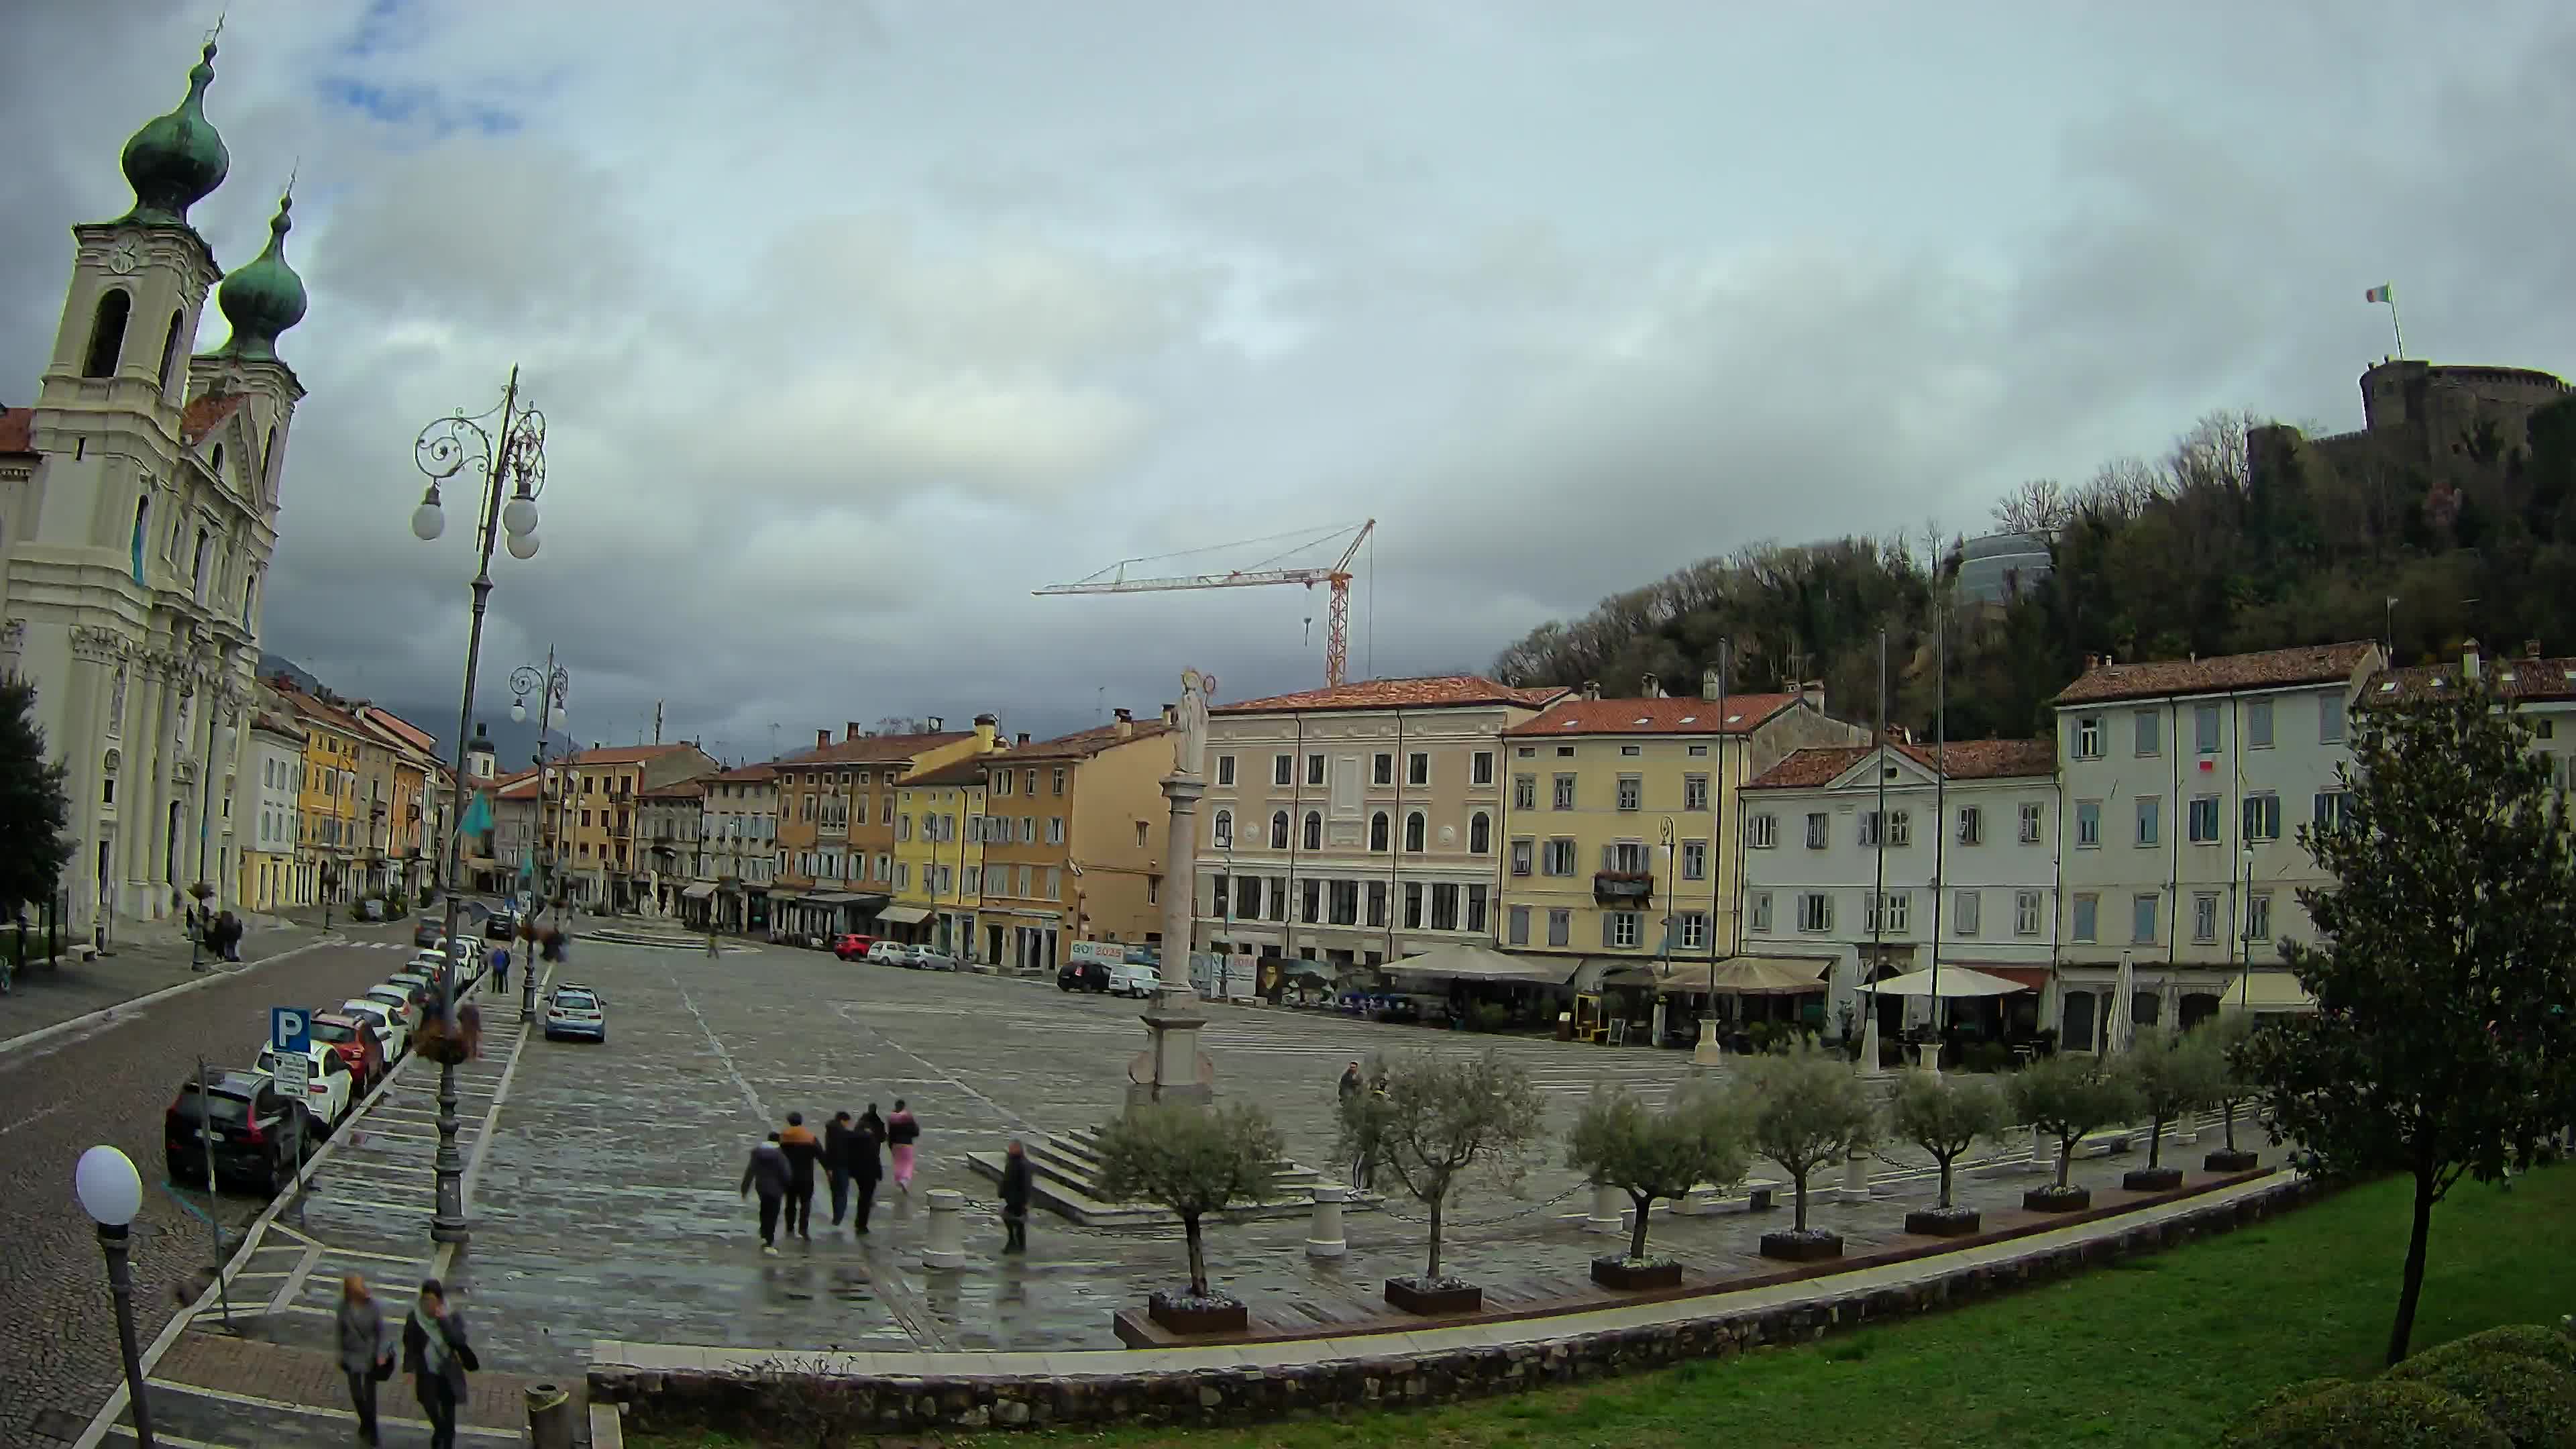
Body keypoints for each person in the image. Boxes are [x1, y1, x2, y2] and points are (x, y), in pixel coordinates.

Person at [400, 1278, 477, 1449]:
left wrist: (442, 1321)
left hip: (447, 1372)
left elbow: (458, 1341)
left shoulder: (452, 1317)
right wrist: (409, 1368)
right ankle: (439, 1429)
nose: (428, 1305)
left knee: (449, 1415)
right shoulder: (415, 1318)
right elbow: (409, 1343)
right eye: (425, 1300)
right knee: (429, 1405)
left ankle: (447, 1442)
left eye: (432, 1301)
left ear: (440, 1301)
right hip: (426, 1372)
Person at [336, 1273, 394, 1445]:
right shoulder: (343, 1307)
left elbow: (380, 1332)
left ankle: (372, 1430)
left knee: (370, 1394)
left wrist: (382, 1354)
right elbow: (340, 1331)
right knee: (356, 1393)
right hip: (352, 1354)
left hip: (370, 1355)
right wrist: (341, 1352)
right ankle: (366, 1421)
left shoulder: (372, 1306)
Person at [740, 1130, 790, 1254]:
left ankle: (764, 1232)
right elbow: (785, 1173)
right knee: (773, 1213)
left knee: (765, 1208)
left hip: (762, 1187)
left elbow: (750, 1171)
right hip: (776, 1189)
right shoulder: (780, 1155)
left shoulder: (757, 1153)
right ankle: (769, 1239)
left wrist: (744, 1188)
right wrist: (788, 1187)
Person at [778, 1112, 823, 1240]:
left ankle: (790, 1227)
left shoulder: (783, 1137)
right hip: (806, 1176)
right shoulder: (810, 1138)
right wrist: (829, 1170)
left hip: (789, 1176)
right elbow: (821, 1155)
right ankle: (803, 1229)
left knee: (790, 1203)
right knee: (806, 1203)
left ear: (789, 1121)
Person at [849, 1104, 885, 1234]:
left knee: (863, 1196)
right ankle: (861, 1224)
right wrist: (879, 1173)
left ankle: (860, 1222)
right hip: (869, 1173)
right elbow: (875, 1159)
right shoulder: (872, 1140)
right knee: (866, 1198)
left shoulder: (859, 1127)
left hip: (859, 1171)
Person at [824, 1110, 857, 1227]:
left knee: (835, 1192)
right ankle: (838, 1218)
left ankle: (836, 1216)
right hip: (842, 1166)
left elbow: (829, 1151)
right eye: (847, 1122)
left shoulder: (830, 1131)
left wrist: (828, 1168)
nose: (847, 1125)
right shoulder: (842, 1133)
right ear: (843, 1121)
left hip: (831, 1167)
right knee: (842, 1192)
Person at [1000, 1139, 1032, 1254]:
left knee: (1018, 1224)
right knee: (1009, 1219)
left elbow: (1026, 1184)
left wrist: (1024, 1201)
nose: (1010, 1149)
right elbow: (1006, 1180)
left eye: (1012, 1148)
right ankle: (1013, 1243)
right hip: (1011, 1198)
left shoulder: (1023, 1164)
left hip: (1018, 1199)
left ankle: (1019, 1246)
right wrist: (1002, 1192)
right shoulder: (1012, 1162)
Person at [886, 1099, 920, 1193]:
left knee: (898, 1163)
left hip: (895, 1144)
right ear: (903, 1107)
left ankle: (899, 1180)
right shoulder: (908, 1117)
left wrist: (890, 1145)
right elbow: (915, 1132)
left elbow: (890, 1133)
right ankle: (904, 1181)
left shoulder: (891, 1118)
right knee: (908, 1163)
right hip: (907, 1144)